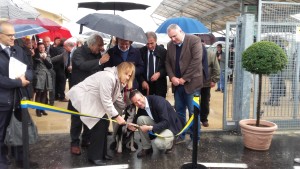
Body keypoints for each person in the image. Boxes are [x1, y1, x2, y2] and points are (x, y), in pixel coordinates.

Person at [66, 62, 135, 166]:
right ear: (121, 70)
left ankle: (102, 154)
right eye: (127, 74)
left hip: (92, 100)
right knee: (99, 125)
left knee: (104, 124)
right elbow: (106, 100)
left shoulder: (118, 80)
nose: (128, 77)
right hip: (82, 98)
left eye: (130, 76)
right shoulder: (108, 77)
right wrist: (117, 116)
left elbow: (117, 97)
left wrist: (126, 107)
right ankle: (94, 157)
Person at [0, 21, 37, 168]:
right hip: (3, 101)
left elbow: (30, 69)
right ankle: (2, 161)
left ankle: (22, 159)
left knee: (21, 130)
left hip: (20, 99)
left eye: (14, 35)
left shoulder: (18, 50)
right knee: (2, 132)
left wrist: (26, 77)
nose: (13, 38)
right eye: (9, 35)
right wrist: (18, 83)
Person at [68, 33, 110, 155]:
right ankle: (74, 143)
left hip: (91, 91)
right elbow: (82, 65)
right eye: (99, 46)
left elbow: (98, 69)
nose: (100, 48)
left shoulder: (96, 53)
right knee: (76, 118)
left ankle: (86, 139)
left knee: (89, 116)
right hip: (79, 90)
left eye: (102, 46)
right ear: (92, 44)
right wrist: (99, 61)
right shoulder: (78, 52)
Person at [165, 24, 203, 150]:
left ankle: (195, 139)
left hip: (192, 85)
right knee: (179, 112)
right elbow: (167, 63)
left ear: (180, 31)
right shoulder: (170, 45)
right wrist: (172, 77)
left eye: (175, 36)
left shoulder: (194, 40)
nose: (173, 39)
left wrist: (183, 79)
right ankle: (181, 135)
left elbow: (196, 62)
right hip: (177, 86)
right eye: (171, 37)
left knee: (193, 113)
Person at [128, 90, 184, 158]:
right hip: (159, 122)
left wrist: (149, 128)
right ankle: (147, 148)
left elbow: (166, 122)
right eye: (135, 103)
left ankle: (171, 143)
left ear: (143, 96)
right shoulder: (142, 106)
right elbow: (138, 117)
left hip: (171, 126)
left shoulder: (158, 101)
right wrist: (133, 125)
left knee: (159, 143)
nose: (138, 103)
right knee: (140, 119)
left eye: (139, 100)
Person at [139, 31, 167, 98]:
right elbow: (138, 68)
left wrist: (159, 73)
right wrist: (142, 81)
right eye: (147, 44)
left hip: (160, 86)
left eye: (152, 43)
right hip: (146, 86)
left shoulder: (163, 52)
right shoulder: (141, 52)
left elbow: (167, 67)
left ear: (156, 41)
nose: (150, 46)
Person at [200, 50, 220, 127]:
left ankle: (204, 119)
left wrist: (214, 80)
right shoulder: (191, 51)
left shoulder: (211, 54)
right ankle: (195, 119)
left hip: (206, 82)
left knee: (205, 101)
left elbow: (216, 67)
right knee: (195, 101)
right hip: (194, 83)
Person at [32, 43, 53, 117]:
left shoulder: (48, 55)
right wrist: (36, 57)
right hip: (39, 76)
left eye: (43, 47)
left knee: (45, 93)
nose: (42, 48)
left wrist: (44, 59)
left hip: (46, 76)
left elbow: (50, 66)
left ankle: (42, 109)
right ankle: (38, 110)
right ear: (38, 48)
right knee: (39, 93)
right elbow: (33, 66)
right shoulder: (35, 56)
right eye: (40, 47)